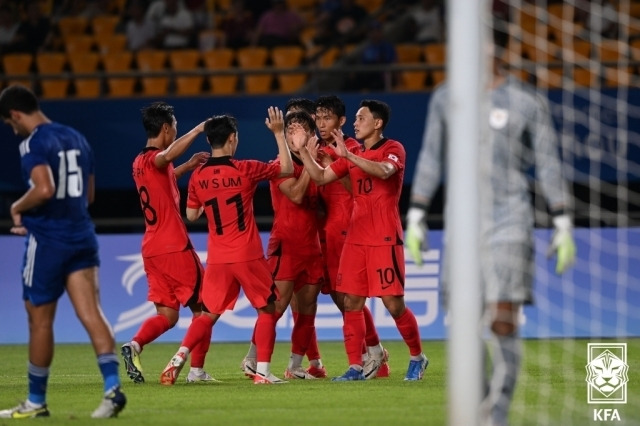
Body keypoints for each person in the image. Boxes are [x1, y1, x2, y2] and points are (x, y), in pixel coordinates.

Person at [404, 29, 577, 426]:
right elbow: (431, 157)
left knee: (502, 319)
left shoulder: (524, 101)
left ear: (497, 49)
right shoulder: (448, 98)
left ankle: (496, 415)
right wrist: (415, 213)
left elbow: (548, 161)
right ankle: (479, 404)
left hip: (510, 220)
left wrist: (563, 219)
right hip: (462, 224)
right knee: (465, 325)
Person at [0, 84, 126, 419]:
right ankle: (113, 390)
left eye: (10, 125)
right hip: (82, 235)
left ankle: (36, 401)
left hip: (49, 241)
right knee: (92, 313)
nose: (13, 131)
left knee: (39, 321)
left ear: (15, 114)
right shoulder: (78, 138)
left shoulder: (33, 143)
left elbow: (44, 188)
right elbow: (89, 196)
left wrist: (18, 207)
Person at [293, 99, 428, 381]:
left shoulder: (393, 149)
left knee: (393, 304)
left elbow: (384, 172)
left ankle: (417, 357)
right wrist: (303, 153)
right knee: (351, 302)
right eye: (355, 118)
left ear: (377, 123)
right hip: (356, 238)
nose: (355, 122)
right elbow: (320, 177)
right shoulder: (350, 154)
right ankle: (357, 366)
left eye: (361, 117)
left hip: (384, 237)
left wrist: (349, 156)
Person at [161, 107, 294, 385]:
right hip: (247, 254)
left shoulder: (198, 176)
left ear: (209, 141)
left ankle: (184, 362)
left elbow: (192, 215)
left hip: (218, 256)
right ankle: (263, 372)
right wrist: (280, 134)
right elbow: (286, 168)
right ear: (233, 138)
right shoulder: (245, 169)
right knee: (268, 308)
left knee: (208, 314)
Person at [121, 102, 215, 385]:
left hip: (151, 249)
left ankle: (134, 345)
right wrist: (199, 129)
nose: (176, 129)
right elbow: (164, 158)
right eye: (174, 125)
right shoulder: (155, 158)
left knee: (168, 314)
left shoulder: (138, 162)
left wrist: (185, 167)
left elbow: (163, 178)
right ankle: (195, 371)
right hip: (173, 245)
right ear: (166, 128)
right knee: (206, 308)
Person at [313, 95, 390, 379]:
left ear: (341, 121)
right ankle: (374, 352)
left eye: (327, 118)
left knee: (350, 299)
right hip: (326, 231)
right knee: (339, 298)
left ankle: (370, 354)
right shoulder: (316, 148)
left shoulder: (354, 148)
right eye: (317, 119)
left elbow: (356, 188)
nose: (321, 124)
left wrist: (336, 158)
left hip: (350, 228)